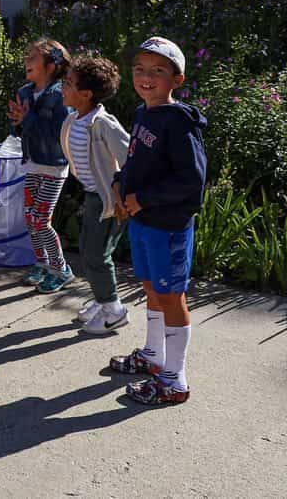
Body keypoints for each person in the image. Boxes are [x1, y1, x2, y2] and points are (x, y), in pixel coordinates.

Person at [109, 37, 206, 406]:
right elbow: (136, 161)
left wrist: (141, 198)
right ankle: (153, 356)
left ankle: (174, 380)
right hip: (142, 220)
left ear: (176, 80)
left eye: (158, 70)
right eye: (140, 69)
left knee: (170, 295)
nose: (146, 77)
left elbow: (191, 181)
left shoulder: (179, 123)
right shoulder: (142, 113)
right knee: (150, 286)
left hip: (167, 225)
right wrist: (121, 185)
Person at [60, 56, 131, 335]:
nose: (63, 88)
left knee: (97, 255)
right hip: (91, 196)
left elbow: (129, 159)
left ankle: (114, 310)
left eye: (68, 84)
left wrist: (123, 195)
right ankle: (103, 300)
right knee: (88, 249)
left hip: (109, 202)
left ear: (86, 94)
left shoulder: (103, 124)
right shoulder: (74, 119)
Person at [7, 38, 73, 293]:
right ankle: (42, 264)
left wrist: (28, 118)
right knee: (30, 218)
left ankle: (61, 268)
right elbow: (21, 129)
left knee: (40, 220)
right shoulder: (24, 92)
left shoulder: (59, 95)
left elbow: (58, 132)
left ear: (51, 65)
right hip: (32, 163)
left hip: (53, 167)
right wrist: (15, 121)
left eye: (32, 57)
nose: (27, 61)